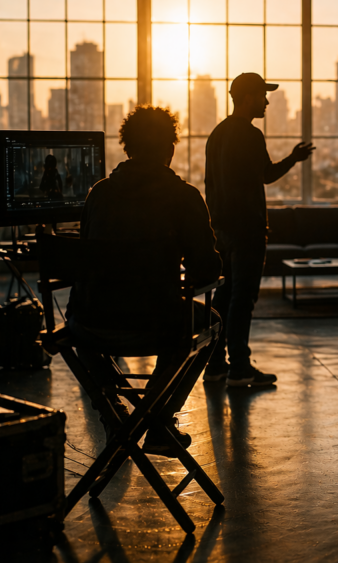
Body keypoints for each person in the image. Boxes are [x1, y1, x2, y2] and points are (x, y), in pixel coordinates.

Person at [66, 105, 223, 456]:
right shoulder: (184, 197)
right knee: (210, 321)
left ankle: (113, 416)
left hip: (90, 322)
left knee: (77, 318)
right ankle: (159, 420)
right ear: (170, 148)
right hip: (154, 322)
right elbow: (208, 271)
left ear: (127, 148)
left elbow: (85, 259)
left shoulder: (98, 194)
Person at [203, 72, 315, 386]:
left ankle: (215, 365)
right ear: (249, 97)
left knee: (223, 297)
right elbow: (266, 175)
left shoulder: (217, 134)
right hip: (247, 230)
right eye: (263, 96)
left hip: (222, 230)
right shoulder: (250, 135)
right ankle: (239, 368)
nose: (266, 102)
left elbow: (210, 183)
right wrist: (293, 158)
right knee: (243, 299)